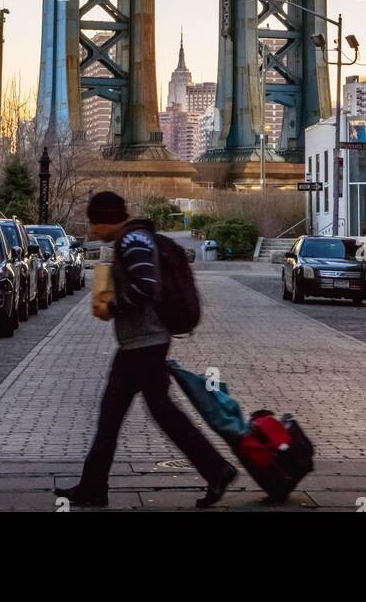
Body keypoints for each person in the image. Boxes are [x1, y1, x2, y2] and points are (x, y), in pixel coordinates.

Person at [63, 190, 237, 510]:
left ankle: (217, 470)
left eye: (96, 223)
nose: (93, 230)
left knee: (159, 412)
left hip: (146, 343)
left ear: (109, 219)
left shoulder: (133, 243)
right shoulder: (131, 241)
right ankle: (93, 486)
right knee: (113, 414)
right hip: (137, 344)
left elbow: (146, 286)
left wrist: (113, 307)